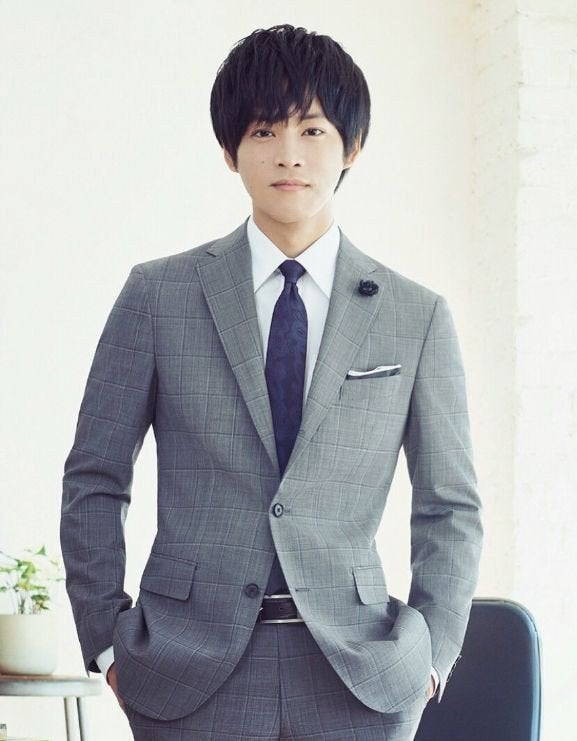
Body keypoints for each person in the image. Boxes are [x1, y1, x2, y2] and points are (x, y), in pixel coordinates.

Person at [60, 23, 483, 740]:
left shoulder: (415, 315)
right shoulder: (159, 296)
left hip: (359, 675)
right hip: (186, 672)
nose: (289, 153)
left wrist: (433, 653)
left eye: (313, 130)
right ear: (231, 151)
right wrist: (107, 640)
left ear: (352, 146)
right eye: (264, 131)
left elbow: (451, 503)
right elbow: (95, 477)